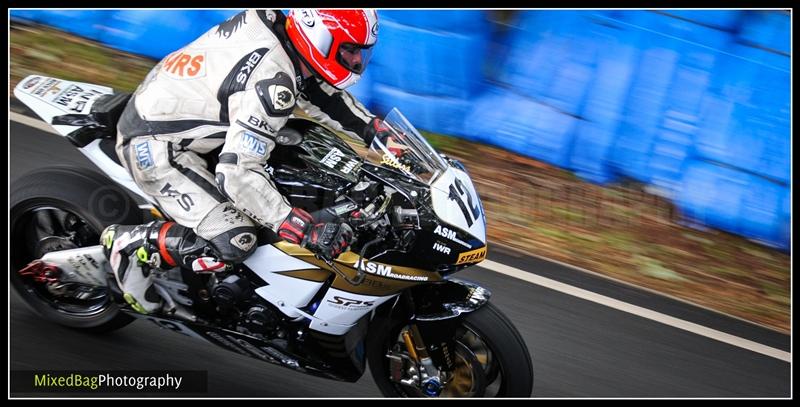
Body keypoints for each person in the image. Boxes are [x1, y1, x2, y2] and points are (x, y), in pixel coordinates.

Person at [100, 9, 393, 314]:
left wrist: (375, 130)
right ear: (318, 36)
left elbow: (319, 91)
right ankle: (132, 246)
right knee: (236, 238)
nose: (358, 61)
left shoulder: (283, 28)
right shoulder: (271, 82)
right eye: (349, 49)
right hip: (158, 145)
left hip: (178, 110)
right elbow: (237, 175)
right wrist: (301, 229)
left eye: (361, 51)